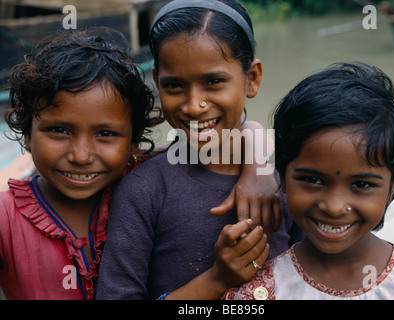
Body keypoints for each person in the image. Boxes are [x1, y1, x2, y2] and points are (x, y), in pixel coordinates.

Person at [0, 26, 278, 300]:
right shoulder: (6, 219)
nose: (81, 156)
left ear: (133, 142)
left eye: (106, 134)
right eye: (59, 131)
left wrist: (258, 169)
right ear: (26, 135)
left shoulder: (143, 175)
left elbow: (242, 131)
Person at [96, 0, 303, 300]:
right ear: (156, 82)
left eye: (214, 81)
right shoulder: (144, 190)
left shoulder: (285, 184)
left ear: (252, 79)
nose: (194, 105)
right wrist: (217, 279)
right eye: (174, 86)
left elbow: (320, 281)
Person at [225, 62, 394, 300]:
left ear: (392, 186)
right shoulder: (259, 292)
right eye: (313, 180)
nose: (335, 206)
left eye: (361, 185)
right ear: (283, 176)